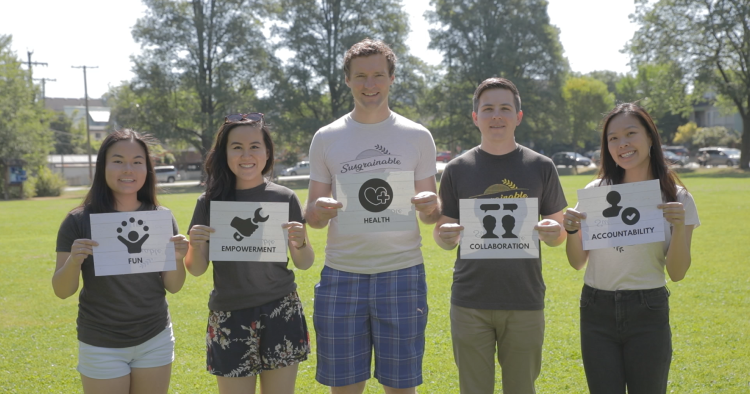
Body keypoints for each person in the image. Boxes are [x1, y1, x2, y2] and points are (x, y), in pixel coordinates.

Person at [305, 39, 440, 394]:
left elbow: (431, 213)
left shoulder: (417, 136)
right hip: (341, 276)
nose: (370, 85)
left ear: (392, 78)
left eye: (378, 75)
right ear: (347, 80)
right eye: (361, 76)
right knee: (345, 387)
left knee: (400, 387)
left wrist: (430, 206)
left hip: (402, 274)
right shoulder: (326, 138)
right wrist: (319, 211)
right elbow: (313, 216)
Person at [433, 77, 567, 394]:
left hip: (524, 298)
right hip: (470, 301)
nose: (496, 115)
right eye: (488, 108)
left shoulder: (541, 166)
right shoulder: (456, 168)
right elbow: (441, 233)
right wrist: (447, 236)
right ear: (475, 117)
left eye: (505, 108)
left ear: (518, 116)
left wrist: (553, 233)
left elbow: (560, 232)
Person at [563, 103, 699, 394]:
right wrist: (571, 231)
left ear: (650, 137)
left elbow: (677, 272)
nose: (622, 143)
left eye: (630, 133)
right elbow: (577, 262)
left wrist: (678, 226)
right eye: (613, 138)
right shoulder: (595, 191)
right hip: (596, 308)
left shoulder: (677, 198)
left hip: (647, 310)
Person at [185, 113, 314, 394]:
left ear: (267, 152)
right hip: (228, 313)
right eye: (237, 147)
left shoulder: (284, 197)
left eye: (255, 146)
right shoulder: (209, 202)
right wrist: (195, 245)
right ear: (224, 153)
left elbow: (304, 263)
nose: (247, 154)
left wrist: (301, 242)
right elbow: (196, 269)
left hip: (281, 309)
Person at [53, 129, 188, 394]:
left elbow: (173, 286)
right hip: (100, 342)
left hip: (155, 338)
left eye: (137, 162)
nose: (128, 169)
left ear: (147, 169)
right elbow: (61, 290)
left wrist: (178, 259)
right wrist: (73, 261)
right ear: (102, 166)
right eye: (118, 161)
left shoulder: (160, 218)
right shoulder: (78, 221)